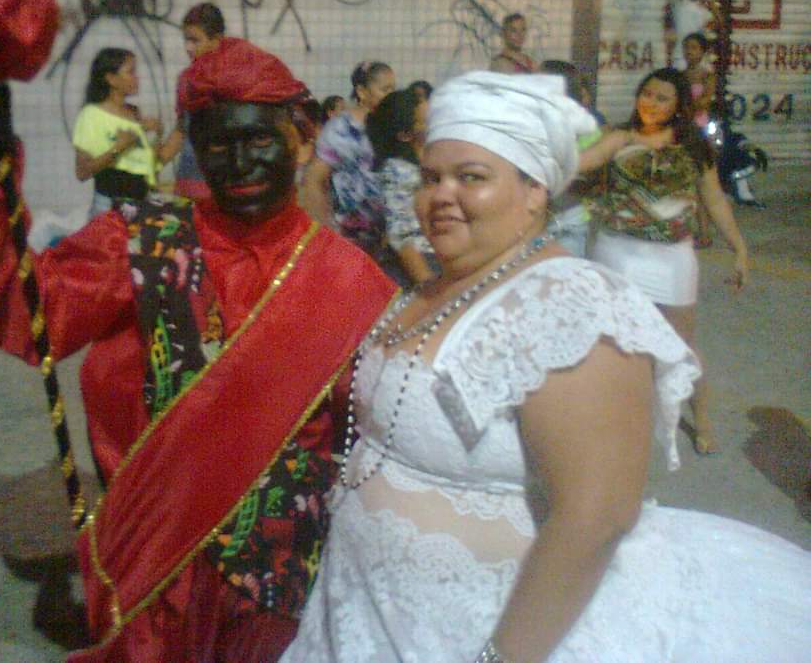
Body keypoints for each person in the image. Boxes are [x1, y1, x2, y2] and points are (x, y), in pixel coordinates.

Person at [282, 71, 811, 663]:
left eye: (471, 177)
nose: (440, 195)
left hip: (491, 633)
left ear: (535, 190)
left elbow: (598, 515)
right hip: (364, 614)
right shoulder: (435, 287)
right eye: (431, 177)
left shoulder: (571, 306)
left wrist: (500, 658)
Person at [0, 40, 397, 662]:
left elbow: (376, 442)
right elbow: (27, 317)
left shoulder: (353, 283)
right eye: (216, 145)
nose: (239, 163)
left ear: (299, 139)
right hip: (155, 580)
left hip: (282, 586)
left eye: (258, 139)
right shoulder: (139, 241)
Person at [580, 67, 749, 455]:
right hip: (617, 251)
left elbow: (714, 199)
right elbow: (583, 163)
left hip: (672, 257)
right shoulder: (619, 137)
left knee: (681, 346)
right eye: (647, 94)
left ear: (678, 106)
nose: (651, 102)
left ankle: (701, 418)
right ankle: (610, 417)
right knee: (612, 342)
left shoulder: (693, 146)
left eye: (662, 98)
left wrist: (739, 247)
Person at [300, 60, 395, 259]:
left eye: (393, 89)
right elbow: (313, 180)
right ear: (361, 92)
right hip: (349, 239)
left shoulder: (391, 127)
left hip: (390, 242)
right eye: (385, 90)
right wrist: (327, 233)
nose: (391, 96)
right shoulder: (341, 129)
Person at [72, 47, 161, 219]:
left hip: (140, 204)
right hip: (109, 207)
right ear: (111, 79)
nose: (137, 78)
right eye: (131, 72)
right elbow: (82, 172)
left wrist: (157, 135)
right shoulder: (91, 115)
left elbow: (145, 166)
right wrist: (119, 147)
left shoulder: (134, 112)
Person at [366, 88, 437, 285]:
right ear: (405, 134)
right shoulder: (398, 172)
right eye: (427, 120)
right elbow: (401, 236)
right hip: (421, 264)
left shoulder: (429, 160)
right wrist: (429, 286)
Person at [160, 2, 227, 201]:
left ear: (216, 40)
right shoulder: (186, 80)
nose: (187, 47)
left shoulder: (234, 81)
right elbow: (182, 130)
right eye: (186, 40)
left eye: (195, 40)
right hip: (187, 183)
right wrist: (153, 163)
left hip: (222, 187)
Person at [537, 59, 603, 257]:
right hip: (528, 226)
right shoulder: (527, 124)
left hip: (568, 224)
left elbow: (590, 181)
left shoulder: (587, 132)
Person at [681, 32, 718, 246]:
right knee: (688, 186)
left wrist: (684, 107)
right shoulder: (681, 75)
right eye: (687, 47)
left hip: (699, 132)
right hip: (684, 132)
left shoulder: (706, 76)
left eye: (694, 48)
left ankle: (704, 233)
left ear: (703, 52)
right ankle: (696, 231)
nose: (689, 52)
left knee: (700, 185)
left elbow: (704, 102)